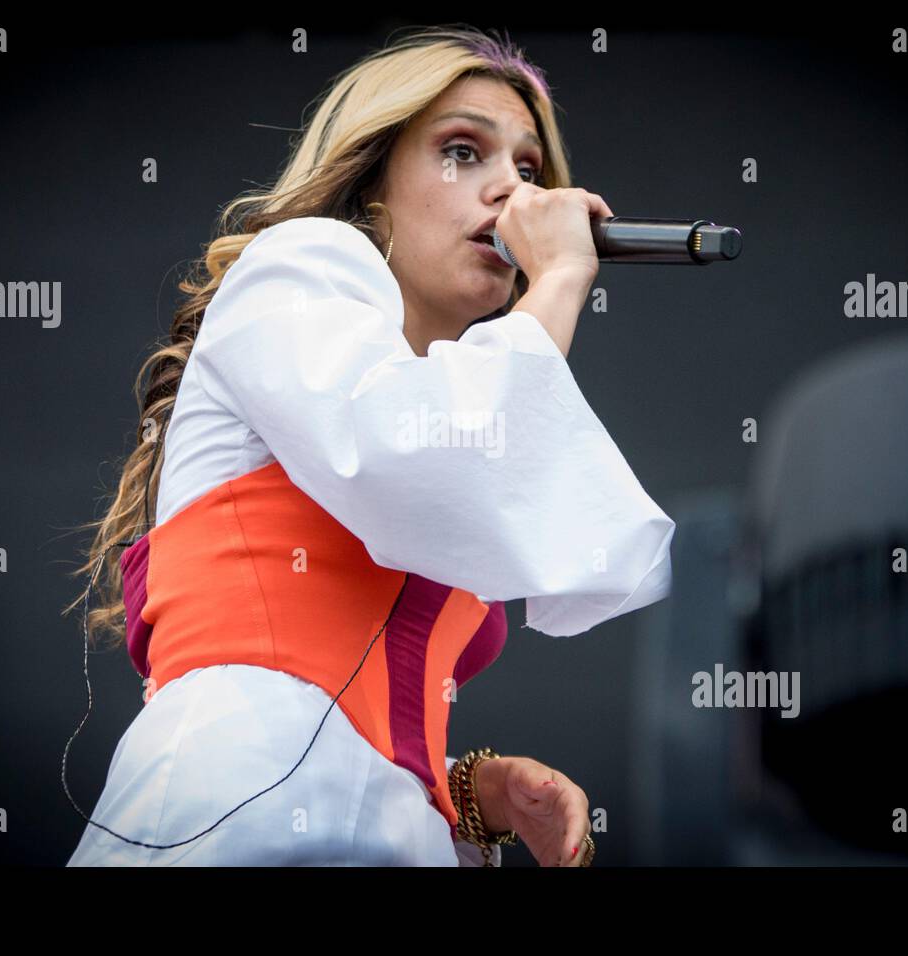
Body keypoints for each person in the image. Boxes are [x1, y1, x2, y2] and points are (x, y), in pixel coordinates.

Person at [63, 25, 674, 867]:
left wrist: (464, 792)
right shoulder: (301, 262)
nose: (510, 190)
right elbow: (407, 452)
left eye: (531, 171)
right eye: (463, 151)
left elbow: (356, 725)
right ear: (373, 176)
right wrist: (563, 279)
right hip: (234, 809)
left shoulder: (441, 388)